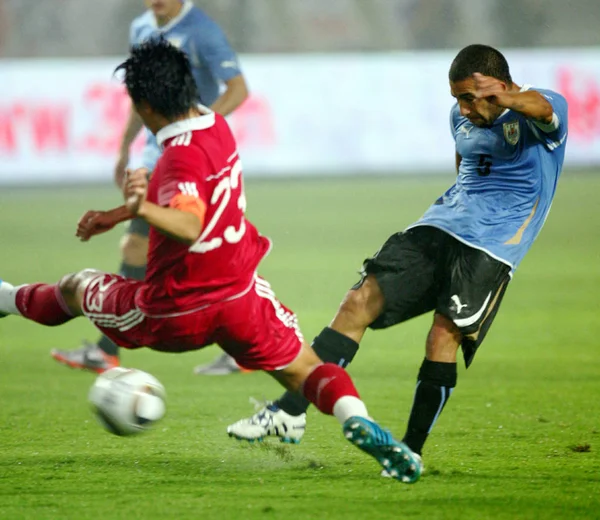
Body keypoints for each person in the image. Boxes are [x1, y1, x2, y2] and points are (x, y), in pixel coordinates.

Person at [0, 39, 422, 484]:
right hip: (239, 298)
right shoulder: (213, 123)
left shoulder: (179, 158)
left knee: (75, 286)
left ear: (144, 106)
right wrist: (119, 214)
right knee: (307, 370)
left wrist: (140, 209)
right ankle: (356, 418)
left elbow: (188, 222)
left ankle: (6, 298)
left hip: (172, 311)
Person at [226, 44, 569, 473]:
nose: (462, 110)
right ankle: (289, 411)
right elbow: (464, 170)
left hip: (492, 247)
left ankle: (410, 449)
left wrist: (501, 100)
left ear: (498, 86)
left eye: (469, 97)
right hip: (437, 228)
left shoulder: (544, 109)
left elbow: (540, 107)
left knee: (442, 337)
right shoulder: (459, 118)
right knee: (356, 304)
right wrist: (476, 105)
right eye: (456, 99)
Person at [51, 0, 249, 374]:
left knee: (187, 244)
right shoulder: (141, 28)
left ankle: (107, 349)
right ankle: (242, 342)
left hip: (189, 157)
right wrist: (125, 146)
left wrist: (200, 132)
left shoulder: (202, 30)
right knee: (162, 245)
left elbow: (238, 89)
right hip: (156, 152)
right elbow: (139, 93)